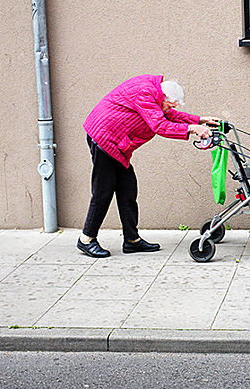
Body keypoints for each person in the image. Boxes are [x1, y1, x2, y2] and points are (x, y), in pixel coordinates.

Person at [77, 75, 219, 258]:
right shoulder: (146, 93)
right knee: (103, 191)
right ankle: (86, 239)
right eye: (170, 104)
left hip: (117, 144)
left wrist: (199, 120)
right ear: (164, 97)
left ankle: (132, 240)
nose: (169, 108)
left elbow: (169, 114)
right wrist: (191, 129)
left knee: (127, 189)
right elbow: (160, 125)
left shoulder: (157, 95)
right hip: (104, 138)